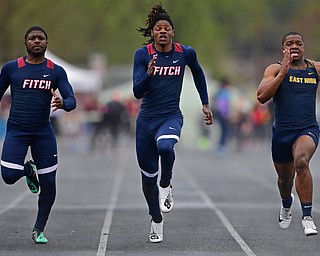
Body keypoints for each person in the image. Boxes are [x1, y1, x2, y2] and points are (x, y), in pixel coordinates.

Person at [133, 4, 213, 243]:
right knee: (148, 181)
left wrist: (205, 103)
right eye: (159, 28)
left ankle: (166, 183)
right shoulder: (143, 54)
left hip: (170, 116)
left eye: (167, 28)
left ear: (173, 32)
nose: (163, 32)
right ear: (153, 32)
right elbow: (137, 92)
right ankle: (156, 219)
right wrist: (149, 74)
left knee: (166, 147)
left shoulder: (185, 53)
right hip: (146, 121)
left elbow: (198, 73)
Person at [0, 26, 76, 243]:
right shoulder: (11, 68)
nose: (36, 41)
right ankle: (27, 169)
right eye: (32, 38)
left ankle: (39, 229)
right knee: (8, 175)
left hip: (43, 132)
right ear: (25, 43)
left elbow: (72, 100)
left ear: (46, 42)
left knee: (49, 183)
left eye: (40, 38)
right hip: (17, 130)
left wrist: (64, 103)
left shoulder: (56, 71)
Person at [257, 31, 319, 236]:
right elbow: (261, 97)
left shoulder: (315, 69)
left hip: (307, 129)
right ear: (283, 48)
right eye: (290, 43)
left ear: (303, 47)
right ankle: (286, 203)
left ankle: (307, 217)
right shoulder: (274, 69)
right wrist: (283, 73)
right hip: (282, 133)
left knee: (301, 160)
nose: (294, 46)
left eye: (298, 43)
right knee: (285, 181)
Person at [212, 79, 231, 156]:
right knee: (224, 131)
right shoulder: (224, 92)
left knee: (222, 131)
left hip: (219, 114)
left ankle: (220, 146)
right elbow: (222, 105)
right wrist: (225, 115)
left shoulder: (219, 91)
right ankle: (221, 147)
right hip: (222, 115)